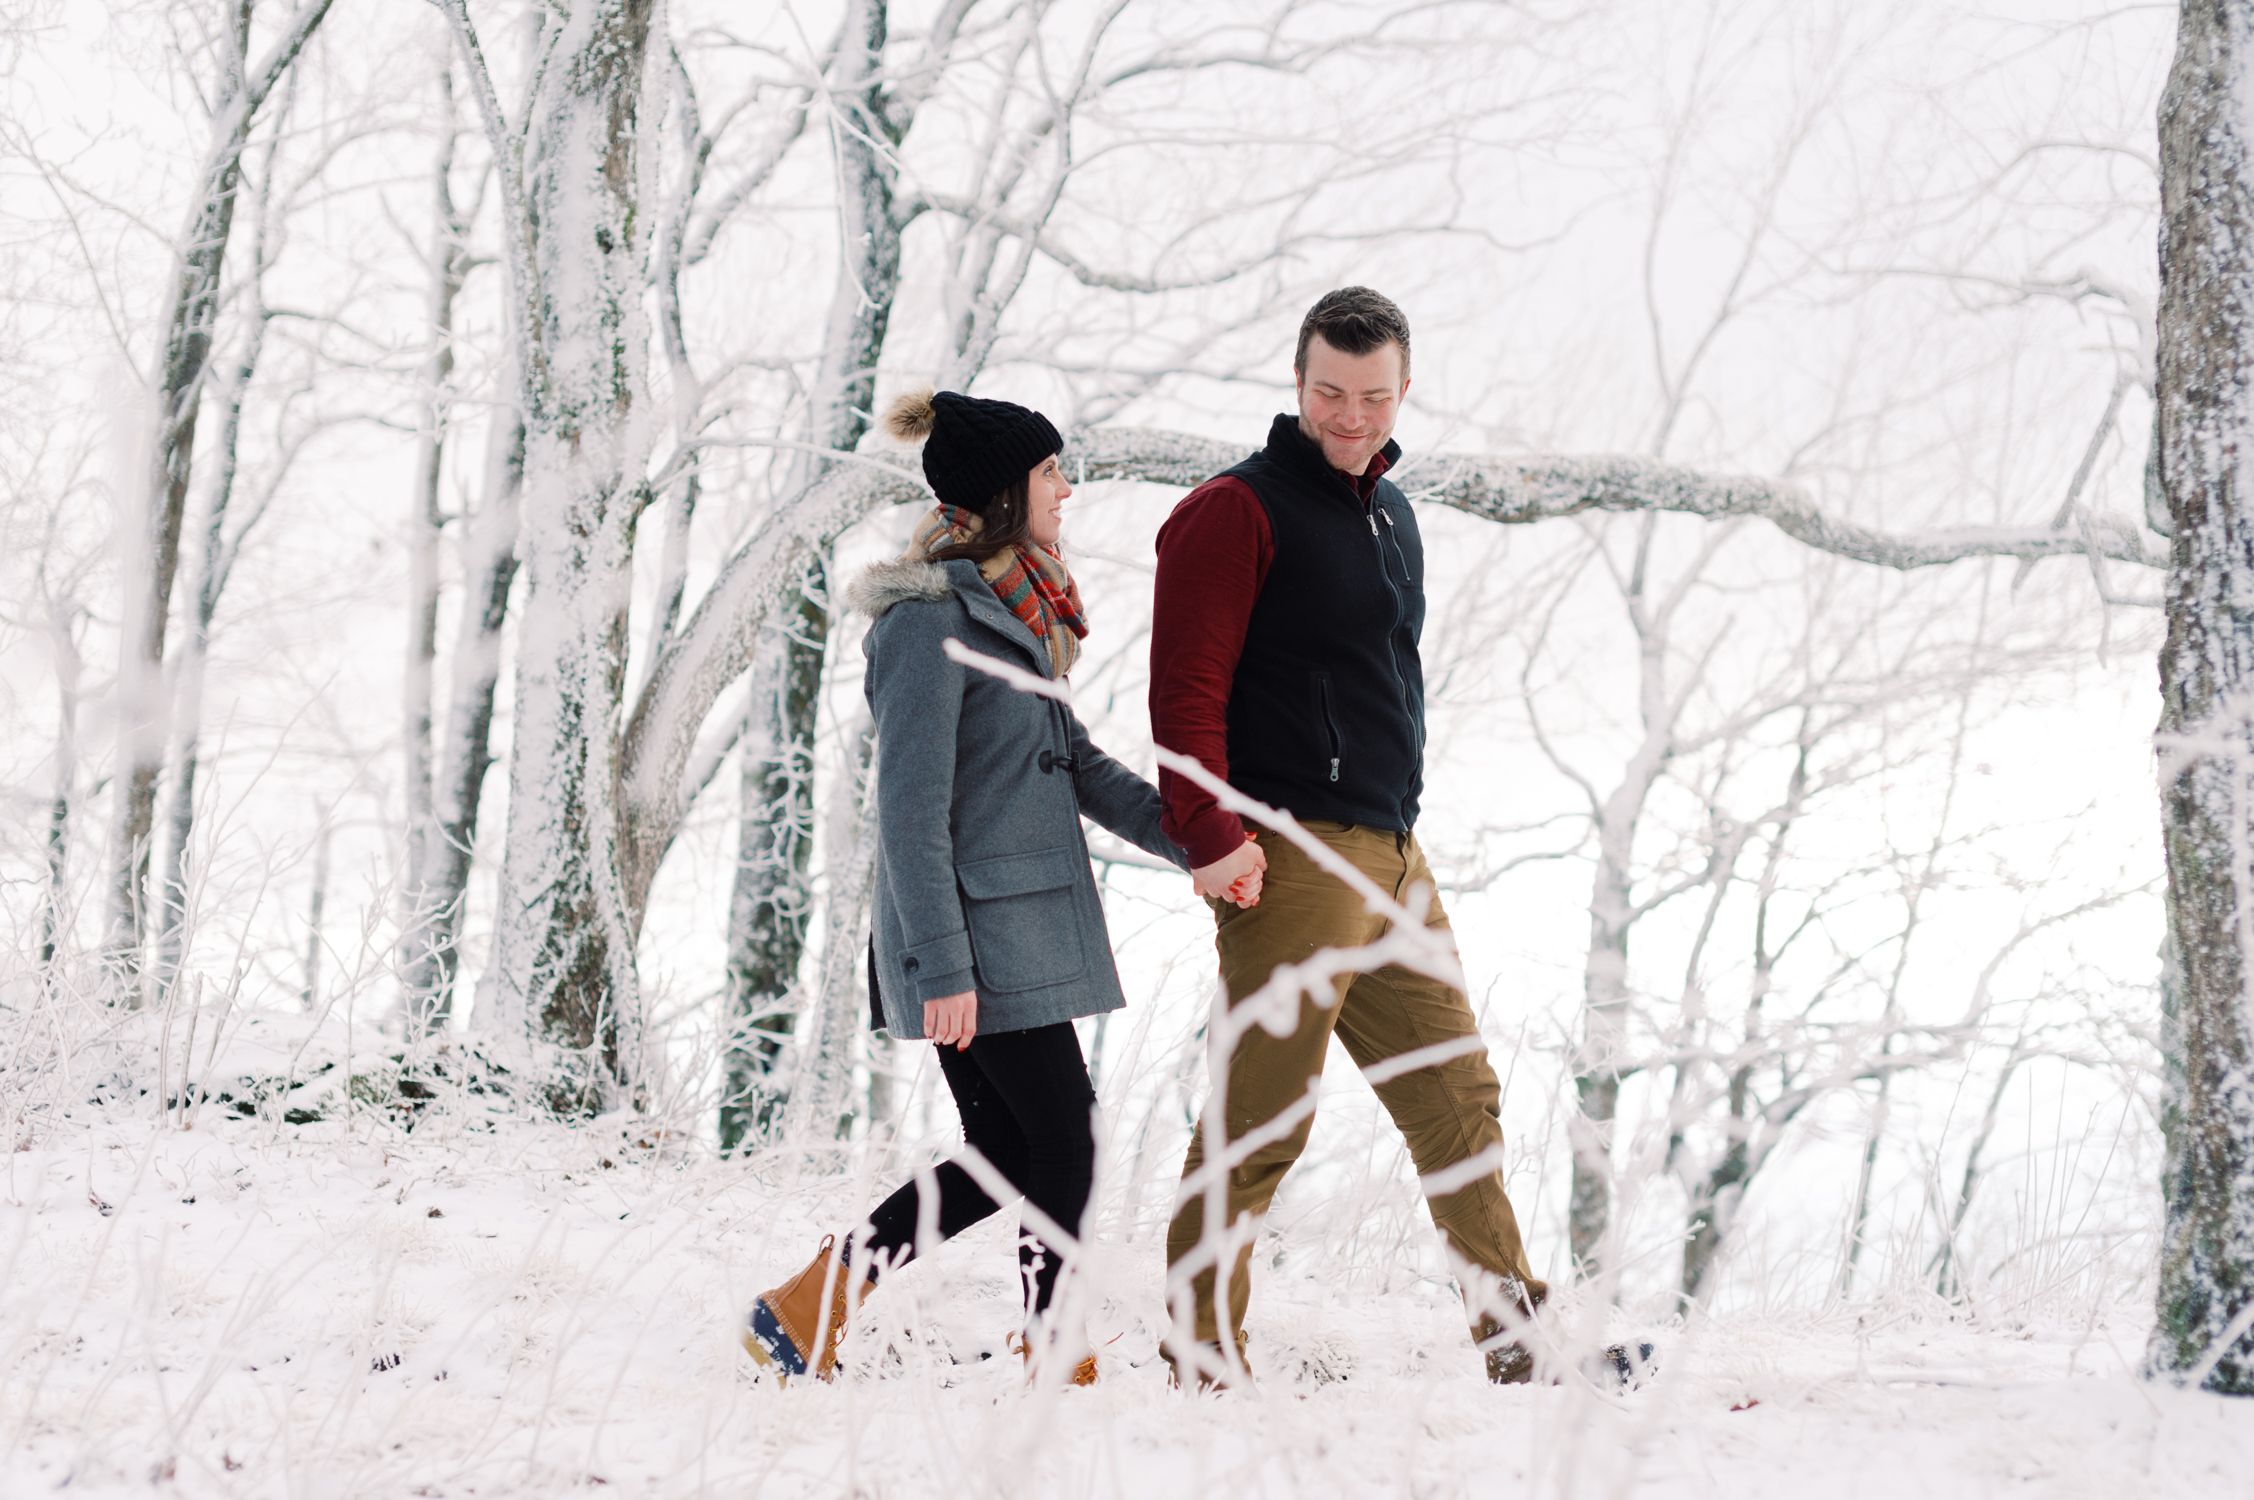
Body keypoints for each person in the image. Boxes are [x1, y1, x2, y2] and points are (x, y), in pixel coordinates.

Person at [742, 387, 1226, 1388]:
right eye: (1051, 473)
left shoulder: (1014, 612)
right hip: (971, 937)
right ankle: (1051, 1350)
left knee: (1010, 1146)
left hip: (1015, 931)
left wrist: (1196, 838)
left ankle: (811, 1305)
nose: (1066, 491)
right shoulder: (928, 622)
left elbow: (1075, 763)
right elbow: (910, 813)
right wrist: (942, 967)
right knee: (1063, 1141)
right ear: (1006, 490)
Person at [1150, 287, 1552, 1387]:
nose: (1350, 414)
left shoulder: (1389, 513)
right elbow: (1185, 687)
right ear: (1297, 382)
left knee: (1456, 1093)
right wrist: (1208, 833)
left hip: (1388, 851)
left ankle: (1519, 1340)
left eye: (1372, 396)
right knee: (1263, 1114)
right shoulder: (1233, 510)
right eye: (1329, 391)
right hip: (1287, 852)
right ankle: (1200, 1357)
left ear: (1403, 391)